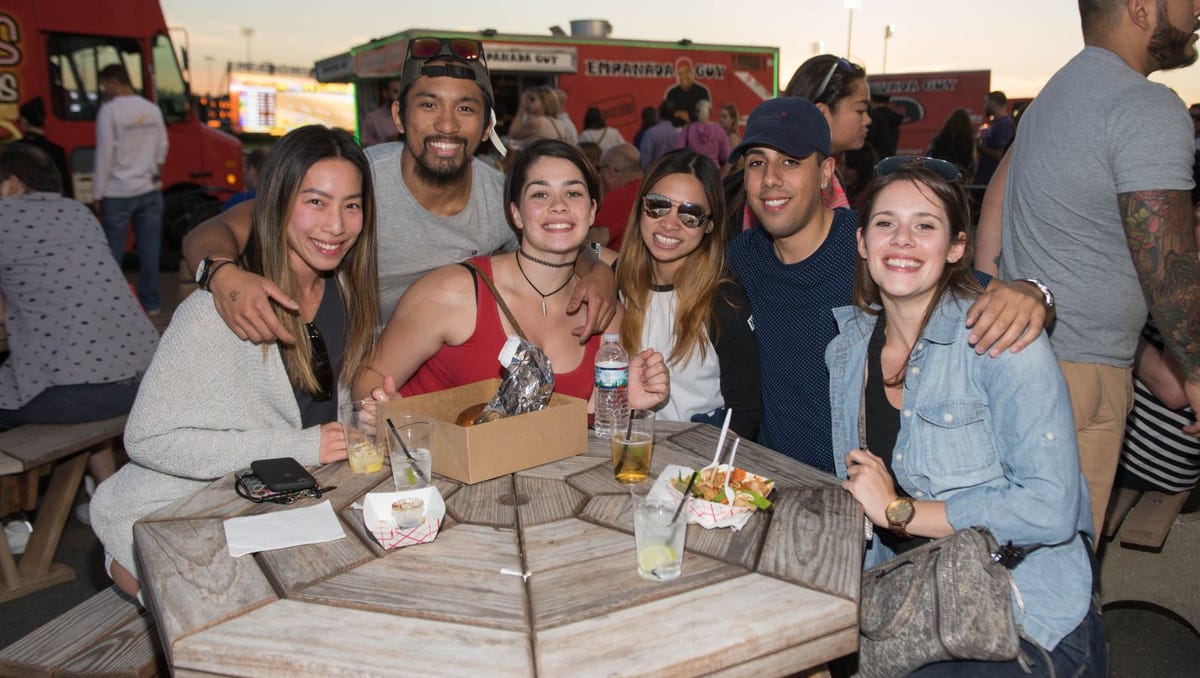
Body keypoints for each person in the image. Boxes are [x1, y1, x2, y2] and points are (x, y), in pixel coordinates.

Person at [830, 160, 1104, 676]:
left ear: (957, 247)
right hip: (914, 593)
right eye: (886, 222)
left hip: (1018, 609)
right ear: (863, 242)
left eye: (925, 225)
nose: (903, 239)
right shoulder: (844, 353)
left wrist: (901, 511)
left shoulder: (1003, 338)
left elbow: (1050, 508)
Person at [90, 125, 378, 599]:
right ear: (277, 202)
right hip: (182, 511)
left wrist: (364, 415)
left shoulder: (342, 292)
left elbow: (322, 410)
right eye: (315, 202)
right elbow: (147, 440)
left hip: (276, 502)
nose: (336, 226)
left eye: (352, 205)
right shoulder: (216, 310)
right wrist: (305, 446)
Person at [183, 37, 616, 346]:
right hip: (344, 368)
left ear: (487, 127)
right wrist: (223, 276)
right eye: (428, 105)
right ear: (399, 115)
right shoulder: (358, 179)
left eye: (465, 108)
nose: (446, 125)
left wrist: (597, 270)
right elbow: (215, 231)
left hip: (445, 368)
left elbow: (558, 238)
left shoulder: (500, 196)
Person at [724, 97, 1051, 474]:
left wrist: (1033, 292)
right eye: (756, 162)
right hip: (769, 479)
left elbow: (983, 291)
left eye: (790, 162)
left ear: (825, 172)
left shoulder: (873, 249)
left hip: (859, 490)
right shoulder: (742, 257)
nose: (770, 179)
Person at [975, 0, 1200, 536]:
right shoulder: (1145, 106)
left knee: (1021, 561)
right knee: (1062, 581)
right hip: (1080, 385)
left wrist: (988, 301)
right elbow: (1169, 266)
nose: (1197, 11)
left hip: (1021, 363)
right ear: (1143, 8)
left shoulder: (1054, 94)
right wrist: (1196, 370)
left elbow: (994, 214)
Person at [354, 139, 668, 411]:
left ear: (591, 210)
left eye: (573, 194)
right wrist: (379, 408)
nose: (558, 206)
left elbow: (573, 422)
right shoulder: (453, 292)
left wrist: (621, 400)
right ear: (515, 213)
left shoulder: (607, 317)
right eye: (540, 195)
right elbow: (368, 378)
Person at [0, 143, 157, 434]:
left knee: (42, 374)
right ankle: (98, 479)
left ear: (11, 184)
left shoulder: (4, 214)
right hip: (147, 379)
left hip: (75, 391)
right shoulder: (78, 212)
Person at [617, 148, 760, 438]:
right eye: (658, 205)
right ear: (641, 208)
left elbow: (744, 416)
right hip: (626, 455)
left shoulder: (724, 304)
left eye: (691, 214)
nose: (670, 223)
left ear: (709, 225)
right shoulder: (616, 283)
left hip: (695, 470)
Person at [93, 63, 168, 314]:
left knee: (113, 251)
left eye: (105, 84)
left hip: (117, 191)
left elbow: (104, 155)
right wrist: (153, 174)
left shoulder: (110, 111)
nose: (104, 89)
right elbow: (162, 148)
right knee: (150, 251)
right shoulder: (151, 110)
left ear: (114, 81)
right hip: (149, 189)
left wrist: (97, 193)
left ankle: (113, 305)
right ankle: (151, 304)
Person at [783, 54, 872, 209]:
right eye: (860, 110)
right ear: (822, 114)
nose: (867, 120)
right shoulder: (792, 182)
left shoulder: (827, 173)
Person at [590, 143, 643, 249]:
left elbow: (595, 244)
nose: (598, 174)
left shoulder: (619, 197)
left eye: (599, 168)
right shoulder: (653, 187)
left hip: (620, 264)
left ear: (612, 171)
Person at [15, 97, 71, 198]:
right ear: (45, 121)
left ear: (24, 121)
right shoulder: (57, 151)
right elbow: (65, 185)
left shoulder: (13, 149)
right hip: (50, 203)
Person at [675, 99, 731, 171]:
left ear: (696, 113)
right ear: (710, 113)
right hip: (713, 171)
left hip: (693, 170)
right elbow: (725, 156)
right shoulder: (720, 131)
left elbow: (679, 151)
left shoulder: (687, 129)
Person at [975, 91, 1014, 185]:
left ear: (993, 103)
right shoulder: (995, 124)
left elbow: (1000, 155)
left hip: (991, 181)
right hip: (984, 180)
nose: (984, 106)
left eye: (986, 102)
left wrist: (979, 147)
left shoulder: (1005, 125)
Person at [926, 107, 976, 178]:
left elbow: (930, 158)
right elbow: (970, 164)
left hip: (941, 176)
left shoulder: (939, 139)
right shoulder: (968, 142)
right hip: (961, 178)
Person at [663, 57, 711, 125]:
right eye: (680, 73)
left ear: (692, 72)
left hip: (698, 130)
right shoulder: (672, 93)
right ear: (677, 75)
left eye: (686, 72)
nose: (684, 76)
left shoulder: (702, 91)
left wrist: (688, 115)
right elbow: (667, 116)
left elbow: (706, 115)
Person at [638, 99, 681, 171]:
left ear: (658, 113)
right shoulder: (677, 133)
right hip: (674, 173)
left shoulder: (651, 133)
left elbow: (644, 163)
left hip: (656, 175)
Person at [360, 79, 402, 147]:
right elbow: (364, 145)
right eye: (396, 92)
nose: (400, 96)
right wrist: (386, 142)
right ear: (385, 94)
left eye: (402, 92)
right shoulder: (372, 119)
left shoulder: (410, 116)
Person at [866, 88, 903, 158]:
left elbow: (868, 142)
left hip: (875, 162)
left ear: (870, 99)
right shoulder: (892, 116)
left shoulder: (873, 116)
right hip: (890, 160)